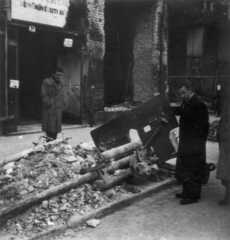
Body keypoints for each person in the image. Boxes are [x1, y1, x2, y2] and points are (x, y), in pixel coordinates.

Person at [172, 81, 209, 205]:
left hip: (194, 144)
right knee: (186, 168)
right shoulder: (187, 102)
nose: (181, 96)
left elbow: (204, 128)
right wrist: (167, 110)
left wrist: (197, 145)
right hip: (187, 142)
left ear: (190, 91)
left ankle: (193, 196)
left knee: (193, 170)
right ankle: (187, 192)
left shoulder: (198, 104)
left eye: (183, 93)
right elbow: (182, 111)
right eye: (180, 94)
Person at [41, 66, 65, 141]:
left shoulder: (61, 84)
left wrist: (62, 104)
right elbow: (44, 94)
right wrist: (49, 103)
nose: (59, 77)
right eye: (57, 75)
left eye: (60, 75)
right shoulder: (47, 82)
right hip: (50, 110)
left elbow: (62, 95)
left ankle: (52, 146)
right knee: (50, 131)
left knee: (55, 131)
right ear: (53, 74)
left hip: (58, 110)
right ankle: (49, 146)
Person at [216, 88, 230, 205]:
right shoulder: (227, 103)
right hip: (225, 142)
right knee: (226, 171)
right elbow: (223, 120)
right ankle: (228, 195)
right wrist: (219, 133)